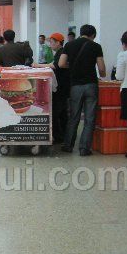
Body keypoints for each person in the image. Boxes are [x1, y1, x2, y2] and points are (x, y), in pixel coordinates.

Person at [59, 24, 106, 156]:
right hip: (91, 85)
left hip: (75, 86)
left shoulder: (69, 45)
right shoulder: (96, 46)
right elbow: (101, 68)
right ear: (93, 35)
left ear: (80, 33)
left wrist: (73, 66)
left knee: (74, 116)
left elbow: (61, 64)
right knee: (90, 118)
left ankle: (68, 145)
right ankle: (84, 148)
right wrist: (102, 74)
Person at [33, 33, 69, 143]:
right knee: (62, 112)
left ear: (58, 42)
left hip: (61, 87)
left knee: (57, 112)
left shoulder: (62, 52)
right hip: (62, 87)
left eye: (52, 42)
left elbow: (55, 65)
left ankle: (59, 137)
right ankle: (63, 135)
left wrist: (38, 65)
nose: (50, 44)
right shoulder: (59, 52)